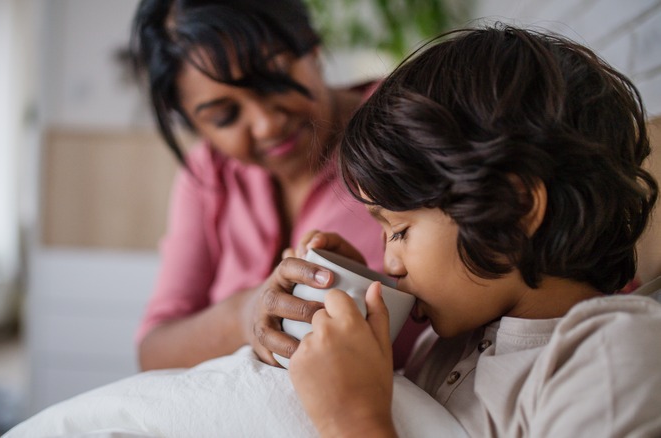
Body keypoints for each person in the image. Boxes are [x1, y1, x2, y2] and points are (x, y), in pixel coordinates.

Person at [280, 25, 661, 436]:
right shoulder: (443, 348)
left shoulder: (611, 358)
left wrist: (352, 420)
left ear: (513, 209)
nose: (389, 262)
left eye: (401, 230)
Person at [128, 0, 427, 370]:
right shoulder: (208, 175)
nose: (266, 124)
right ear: (194, 124)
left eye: (273, 80)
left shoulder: (409, 129)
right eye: (224, 116)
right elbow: (154, 352)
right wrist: (244, 314)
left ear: (311, 45)